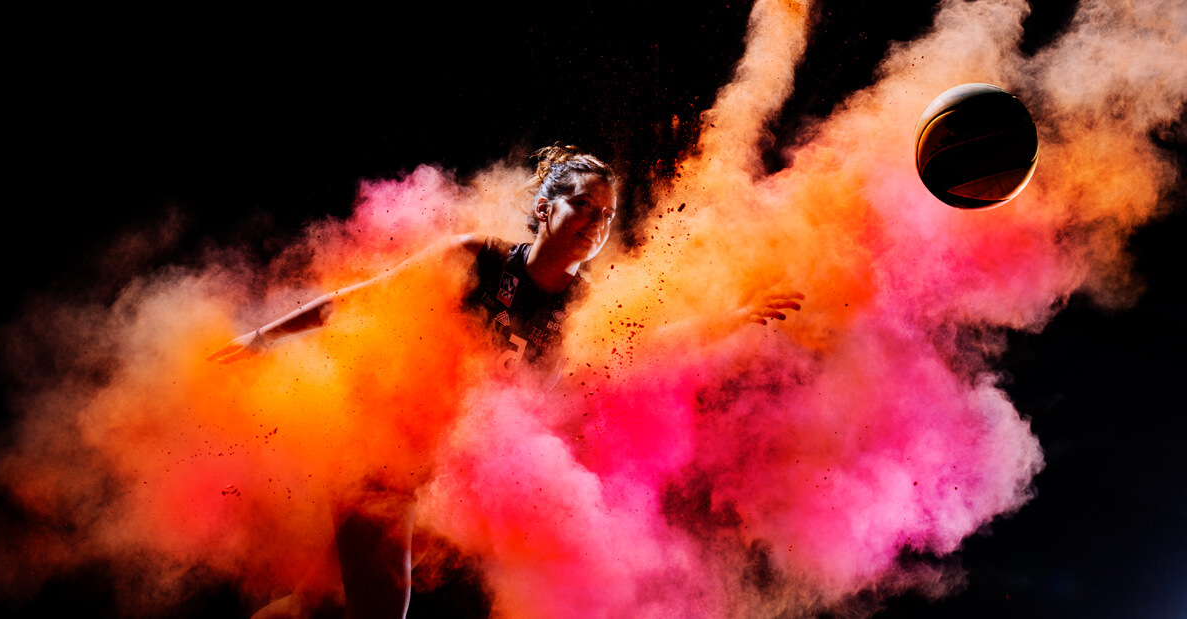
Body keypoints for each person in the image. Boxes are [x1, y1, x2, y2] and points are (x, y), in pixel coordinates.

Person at [210, 145, 803, 618]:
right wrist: (263, 336)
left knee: (322, 606)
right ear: (547, 207)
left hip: (442, 481)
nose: (595, 224)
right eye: (585, 206)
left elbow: (654, 340)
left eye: (606, 216)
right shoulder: (478, 260)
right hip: (384, 453)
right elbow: (360, 300)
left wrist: (732, 319)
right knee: (383, 611)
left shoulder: (589, 308)